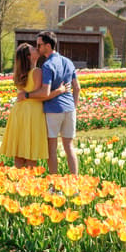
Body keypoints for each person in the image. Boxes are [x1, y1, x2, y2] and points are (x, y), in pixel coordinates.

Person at [19, 30, 80, 175]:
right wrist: (74, 107)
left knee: (52, 149)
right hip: (69, 109)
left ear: (47, 45)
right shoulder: (68, 62)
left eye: (39, 45)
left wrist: (26, 95)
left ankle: (55, 185)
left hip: (54, 110)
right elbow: (77, 87)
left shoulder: (47, 65)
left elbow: (45, 93)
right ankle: (75, 183)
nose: (37, 47)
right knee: (69, 146)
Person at [1, 42, 67, 168]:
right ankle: (29, 183)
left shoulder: (19, 74)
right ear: (28, 56)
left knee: (19, 152)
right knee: (31, 152)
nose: (36, 48)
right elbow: (41, 95)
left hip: (19, 111)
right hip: (32, 112)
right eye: (33, 48)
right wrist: (59, 91)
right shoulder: (37, 72)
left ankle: (18, 181)